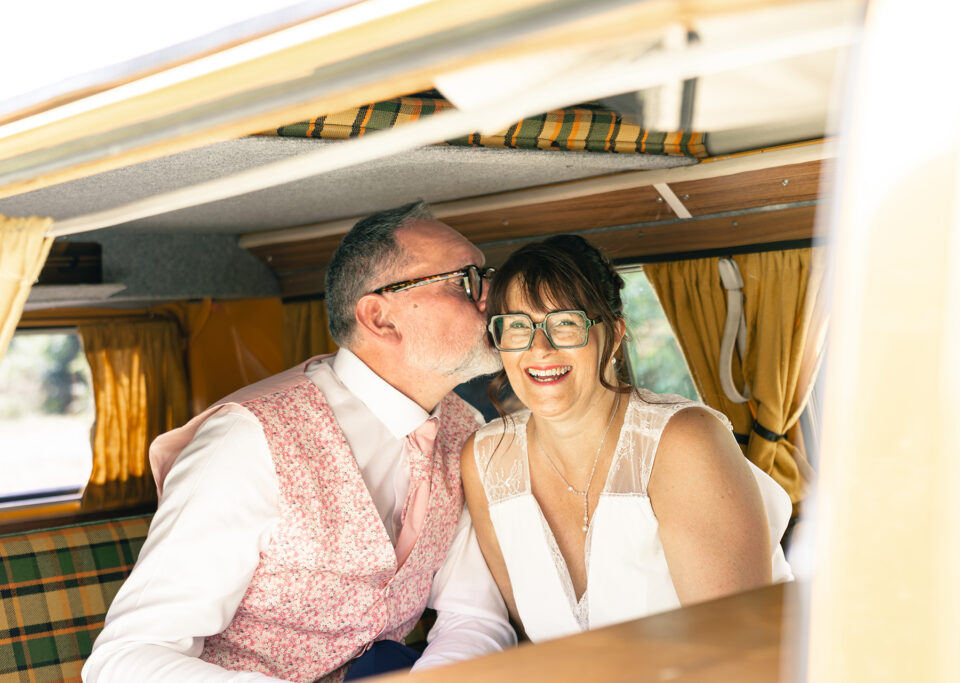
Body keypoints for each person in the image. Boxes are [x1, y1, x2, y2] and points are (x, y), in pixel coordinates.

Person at [83, 202, 516, 682]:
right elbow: (125, 659)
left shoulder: (465, 427)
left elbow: (473, 616)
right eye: (465, 281)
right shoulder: (247, 440)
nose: (495, 297)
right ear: (380, 318)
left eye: (488, 276)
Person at [461, 234, 794, 642]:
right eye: (517, 326)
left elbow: (734, 644)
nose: (540, 348)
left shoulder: (684, 442)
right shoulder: (485, 460)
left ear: (615, 334)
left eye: (565, 323)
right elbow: (535, 644)